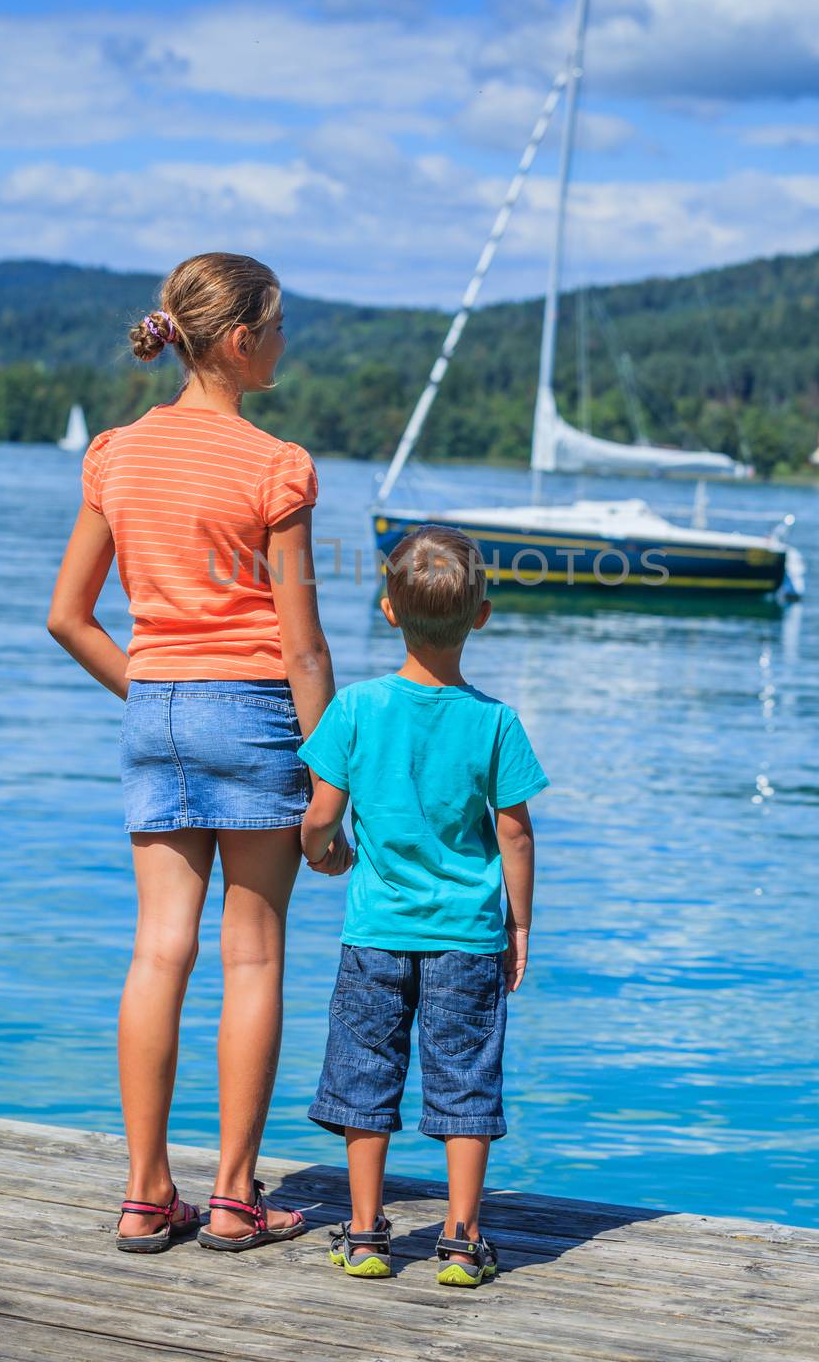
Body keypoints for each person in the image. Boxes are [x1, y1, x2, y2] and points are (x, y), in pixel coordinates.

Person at [47, 252, 334, 1253]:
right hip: (254, 714)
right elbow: (299, 642)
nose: (286, 342)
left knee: (156, 950)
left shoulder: (116, 453)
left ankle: (142, 1194)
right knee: (250, 953)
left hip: (156, 711)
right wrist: (332, 774)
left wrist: (158, 691)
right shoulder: (276, 464)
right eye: (281, 326)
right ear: (243, 341)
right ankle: (232, 1197)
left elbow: (68, 616)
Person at [298, 524, 549, 1287]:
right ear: (480, 615)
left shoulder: (354, 710)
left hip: (375, 932)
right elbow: (516, 836)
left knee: (364, 1076)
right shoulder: (496, 722)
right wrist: (519, 923)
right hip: (468, 939)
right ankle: (461, 1239)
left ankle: (369, 1233)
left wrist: (325, 854)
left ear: (386, 610)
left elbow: (318, 817)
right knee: (465, 1082)